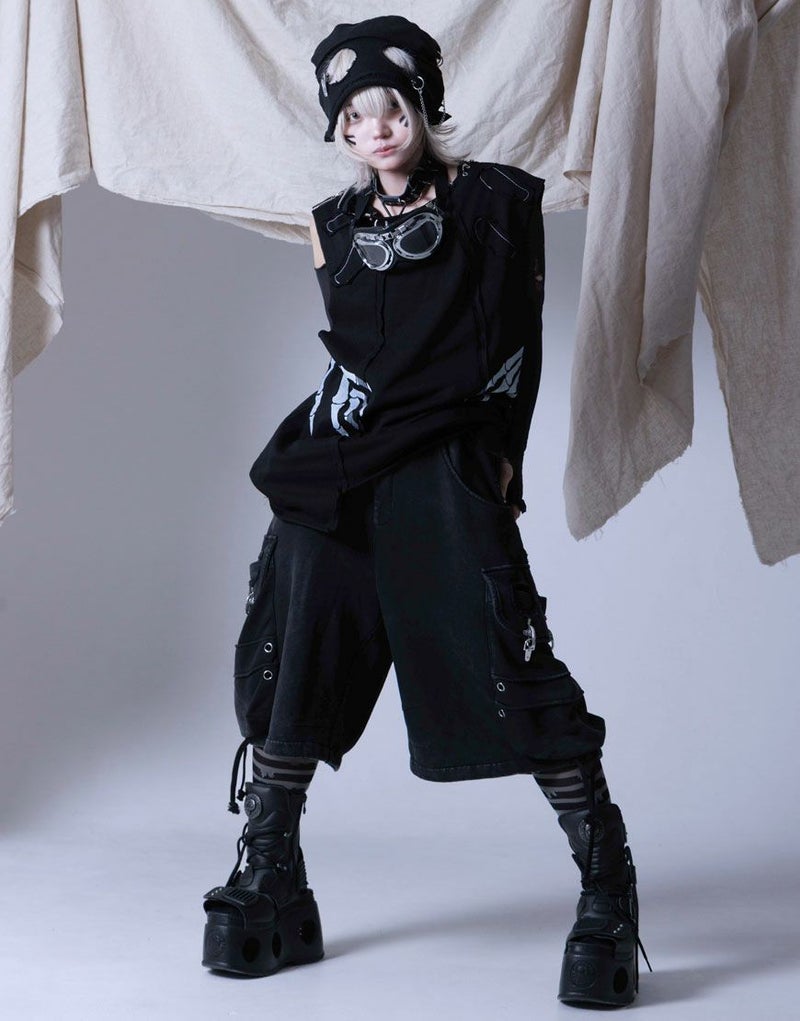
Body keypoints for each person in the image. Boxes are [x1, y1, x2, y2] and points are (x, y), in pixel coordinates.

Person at [201, 15, 649, 1008]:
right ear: (339, 128)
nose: (375, 130)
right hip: (343, 458)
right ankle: (270, 867)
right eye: (354, 118)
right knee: (297, 626)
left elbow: (515, 347)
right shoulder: (330, 225)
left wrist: (500, 467)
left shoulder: (495, 202)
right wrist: (342, 390)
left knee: (503, 656)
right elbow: (354, 345)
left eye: (390, 110)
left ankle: (606, 881)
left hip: (445, 451)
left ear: (421, 107)